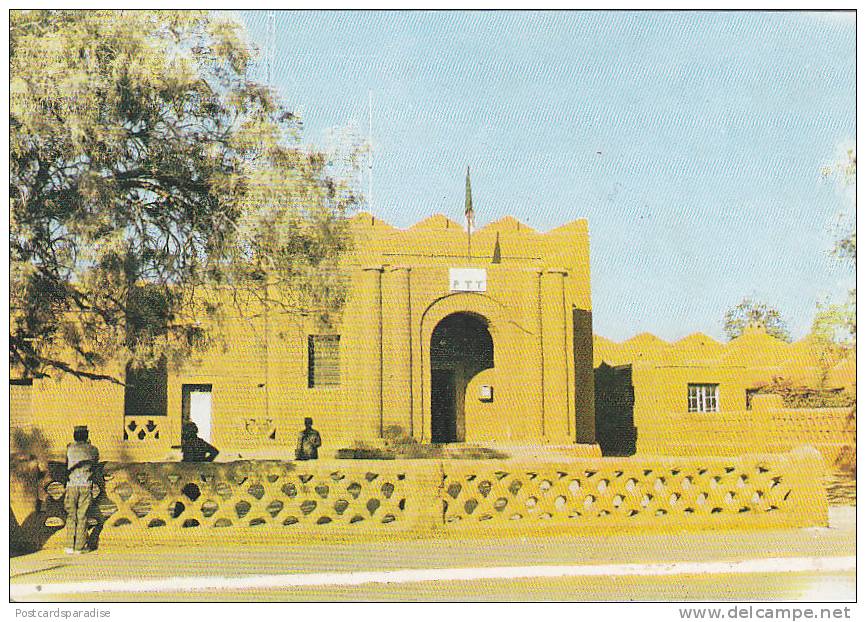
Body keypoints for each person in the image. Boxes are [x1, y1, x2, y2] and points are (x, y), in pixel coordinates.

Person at [64, 425, 99, 554]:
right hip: (85, 485)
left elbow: (65, 464)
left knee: (71, 515)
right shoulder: (93, 449)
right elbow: (95, 463)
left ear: (74, 436)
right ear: (87, 436)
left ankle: (69, 545)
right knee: (82, 516)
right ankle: (80, 546)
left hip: (71, 485)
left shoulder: (70, 449)